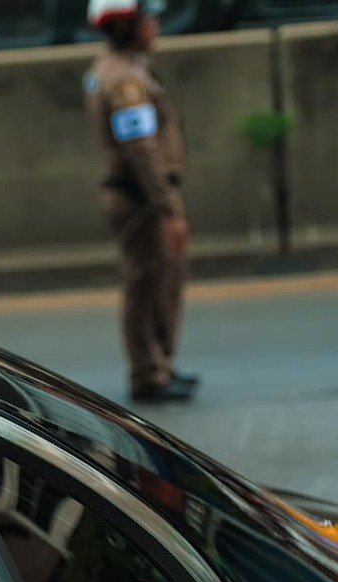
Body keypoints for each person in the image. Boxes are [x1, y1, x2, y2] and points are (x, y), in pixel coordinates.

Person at [85, 0, 196, 404]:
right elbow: (141, 150)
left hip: (144, 194)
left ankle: (159, 365)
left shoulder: (126, 66)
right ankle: (149, 373)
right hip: (141, 198)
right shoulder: (124, 81)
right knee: (147, 282)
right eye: (148, 19)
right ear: (127, 28)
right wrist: (166, 206)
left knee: (160, 280)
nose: (156, 25)